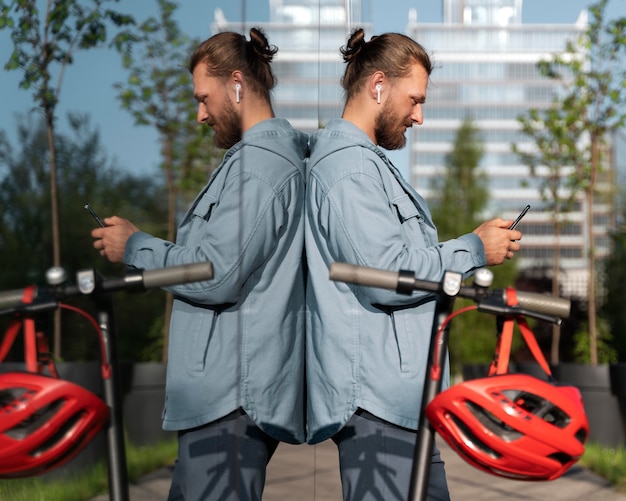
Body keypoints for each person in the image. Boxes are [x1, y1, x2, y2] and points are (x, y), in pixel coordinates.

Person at [304, 28, 522, 501]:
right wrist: (473, 248)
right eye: (414, 99)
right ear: (378, 85)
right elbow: (386, 274)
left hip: (397, 403)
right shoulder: (348, 168)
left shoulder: (367, 164)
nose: (419, 116)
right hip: (377, 407)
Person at [91, 28, 307, 500]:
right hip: (221, 396)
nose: (199, 114)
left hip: (231, 399)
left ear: (236, 83)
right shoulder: (251, 161)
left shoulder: (262, 165)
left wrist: (135, 246)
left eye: (203, 98)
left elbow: (217, 271)